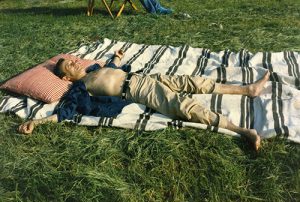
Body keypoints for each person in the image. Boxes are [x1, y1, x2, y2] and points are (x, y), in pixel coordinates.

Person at [19, 49, 270, 151]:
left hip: (144, 76)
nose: (74, 60)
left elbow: (112, 67)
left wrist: (117, 57)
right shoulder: (79, 89)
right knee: (184, 107)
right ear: (65, 77)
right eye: (69, 65)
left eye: (72, 58)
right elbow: (66, 111)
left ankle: (248, 90)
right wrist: (37, 123)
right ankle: (242, 130)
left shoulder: (93, 68)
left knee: (194, 82)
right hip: (138, 90)